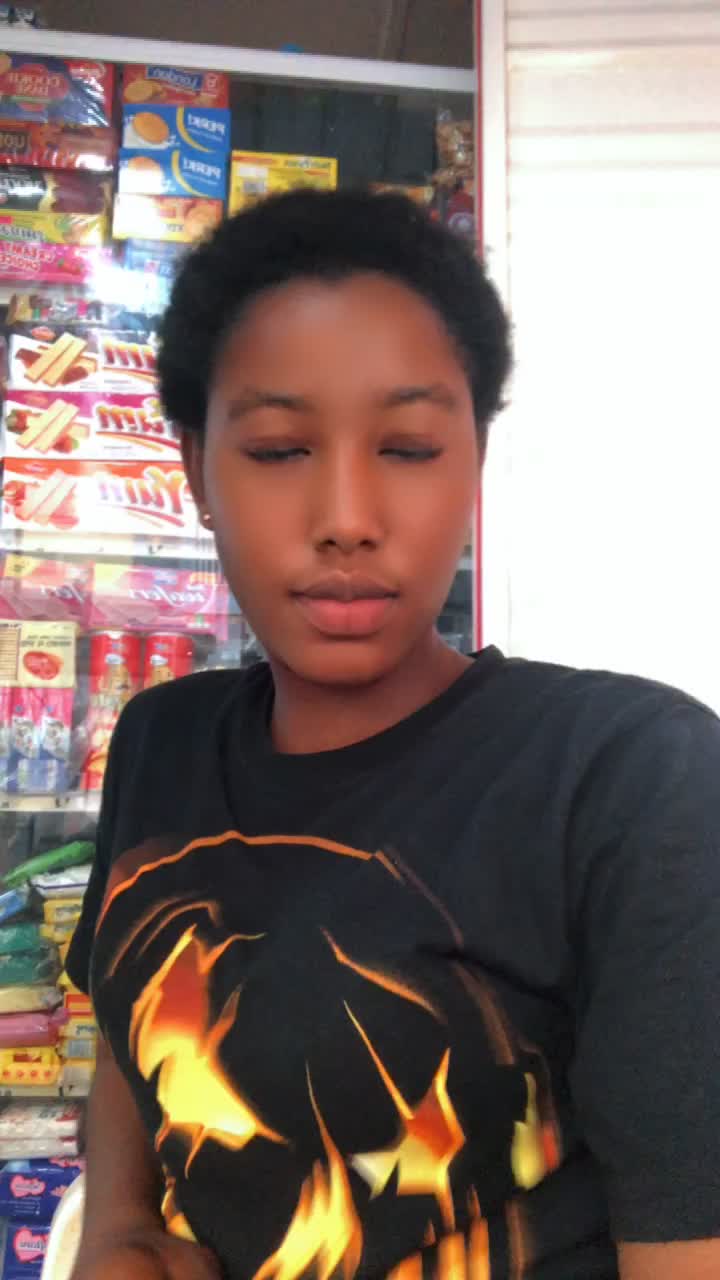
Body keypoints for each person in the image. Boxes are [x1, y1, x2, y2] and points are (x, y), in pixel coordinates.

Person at [67, 190, 720, 1280]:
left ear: (474, 462)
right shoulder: (160, 740)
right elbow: (125, 1021)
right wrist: (121, 1228)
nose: (347, 518)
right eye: (279, 448)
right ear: (193, 467)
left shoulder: (632, 776)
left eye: (410, 447)